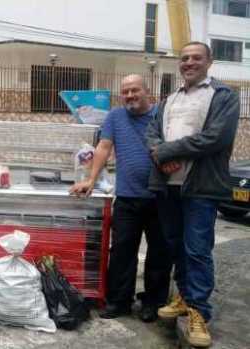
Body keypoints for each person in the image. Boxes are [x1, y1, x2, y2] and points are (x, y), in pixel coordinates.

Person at [145, 41, 239, 348]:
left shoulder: (223, 96)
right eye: (184, 58)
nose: (189, 62)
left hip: (201, 186)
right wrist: (160, 155)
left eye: (196, 58)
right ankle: (185, 297)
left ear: (209, 62)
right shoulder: (169, 99)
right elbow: (152, 133)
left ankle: (200, 312)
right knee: (176, 247)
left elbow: (215, 138)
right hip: (168, 185)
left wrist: (167, 150)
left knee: (197, 249)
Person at [70, 74, 172, 322]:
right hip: (127, 195)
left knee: (159, 253)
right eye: (125, 91)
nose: (130, 96)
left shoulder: (162, 114)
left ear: (147, 92)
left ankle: (152, 302)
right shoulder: (115, 116)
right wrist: (91, 180)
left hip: (161, 196)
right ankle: (119, 301)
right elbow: (104, 147)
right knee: (122, 251)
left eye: (135, 90)